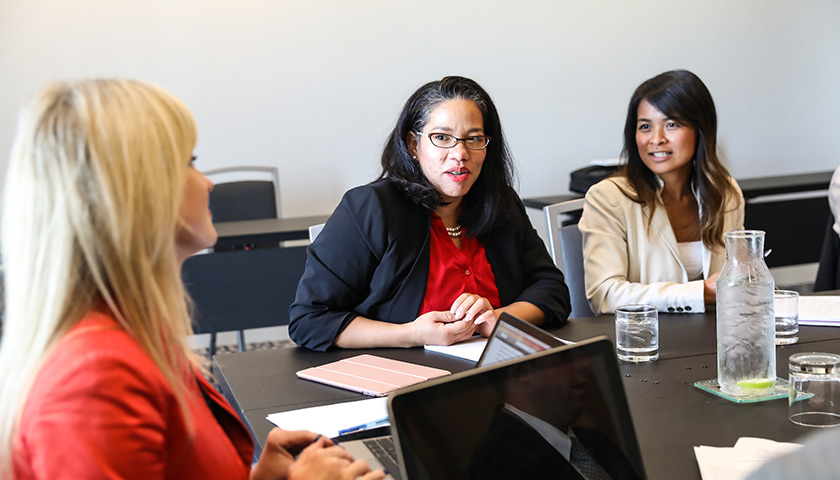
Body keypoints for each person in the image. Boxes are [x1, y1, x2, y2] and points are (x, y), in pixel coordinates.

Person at [0, 79, 384, 480]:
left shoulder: (134, 334)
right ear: (134, 189)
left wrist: (259, 476)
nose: (208, 182)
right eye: (188, 162)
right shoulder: (93, 378)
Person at [289, 76, 571, 351]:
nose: (460, 153)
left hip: (495, 373)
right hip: (404, 381)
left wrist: (499, 319)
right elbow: (310, 320)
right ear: (414, 145)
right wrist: (410, 334)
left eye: (474, 139)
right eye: (442, 137)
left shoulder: (501, 203)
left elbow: (552, 290)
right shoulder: (371, 207)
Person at [578, 69, 744, 315]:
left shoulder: (725, 192)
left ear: (701, 130)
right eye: (645, 126)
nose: (656, 139)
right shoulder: (608, 197)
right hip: (642, 342)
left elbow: (737, 274)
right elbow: (605, 294)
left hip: (713, 337)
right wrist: (701, 293)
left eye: (671, 124)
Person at [469, 351, 641, 480]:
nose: (586, 363)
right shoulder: (499, 465)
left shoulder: (593, 441)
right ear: (523, 372)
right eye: (564, 356)